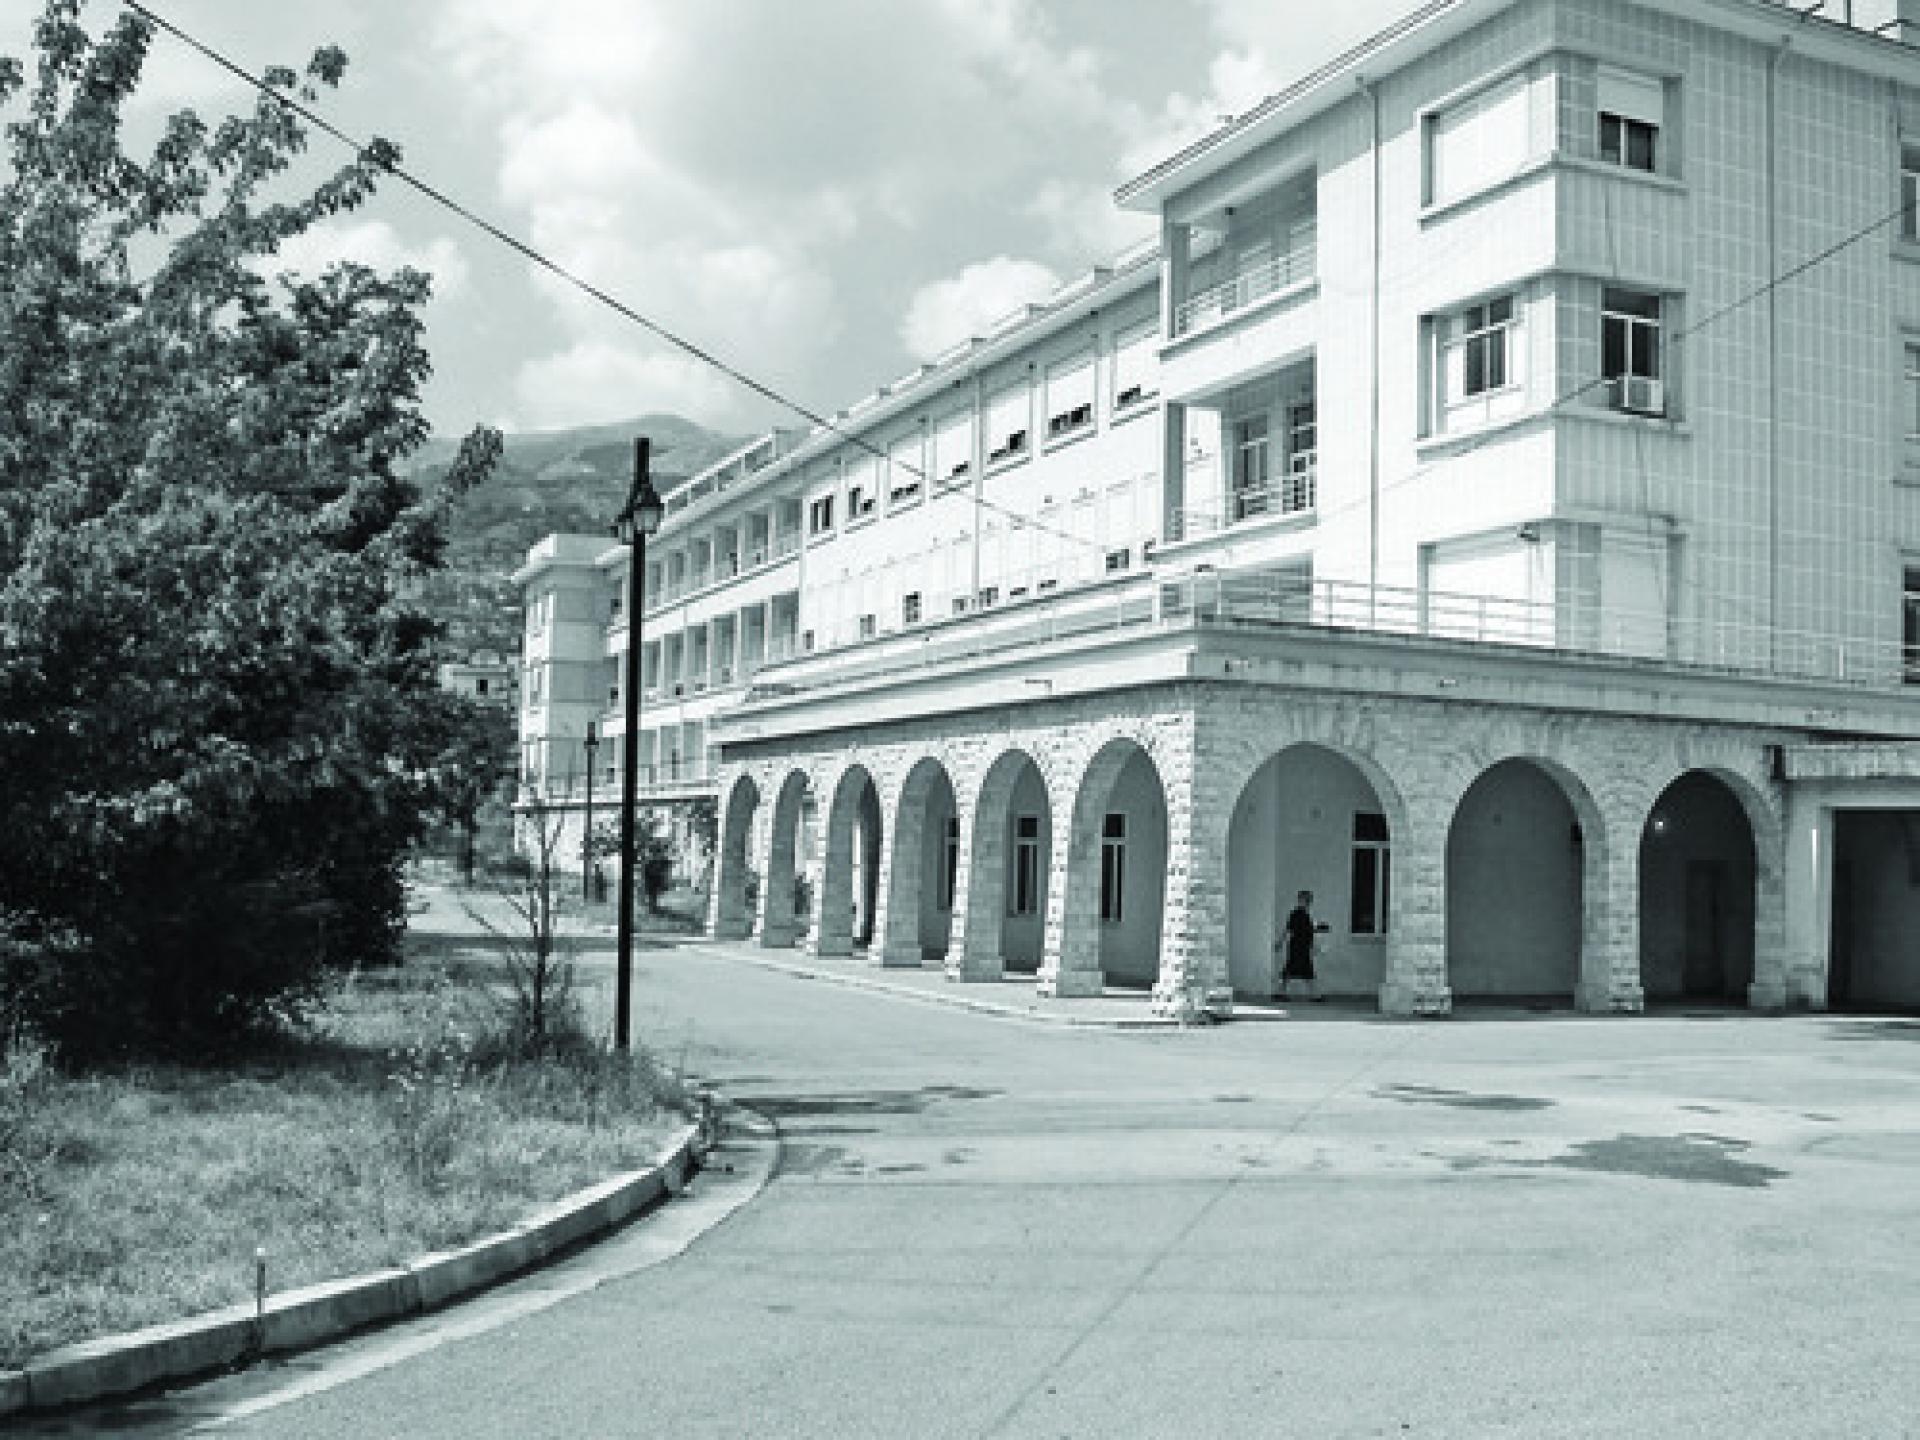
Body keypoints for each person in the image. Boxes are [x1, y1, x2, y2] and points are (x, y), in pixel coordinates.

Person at [1276, 889, 1330, 1003]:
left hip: (1301, 946)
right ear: (1301, 900)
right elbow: (1289, 930)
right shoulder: (1297, 914)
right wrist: (1280, 942)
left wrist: (1319, 929)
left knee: (1298, 971)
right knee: (1297, 970)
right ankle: (1315, 996)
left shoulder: (1304, 915)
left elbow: (1307, 931)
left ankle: (1281, 993)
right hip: (1298, 947)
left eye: (1308, 900)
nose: (1307, 903)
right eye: (1306, 900)